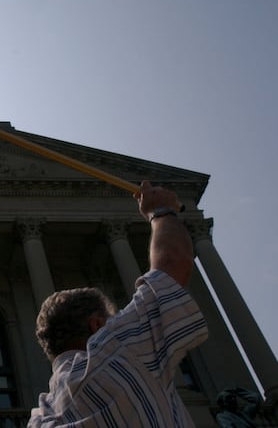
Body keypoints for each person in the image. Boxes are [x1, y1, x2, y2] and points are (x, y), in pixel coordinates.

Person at [28, 181, 209, 427]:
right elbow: (173, 265)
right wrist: (162, 211)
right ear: (96, 325)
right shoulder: (117, 352)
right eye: (111, 320)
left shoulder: (42, 417)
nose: (116, 324)